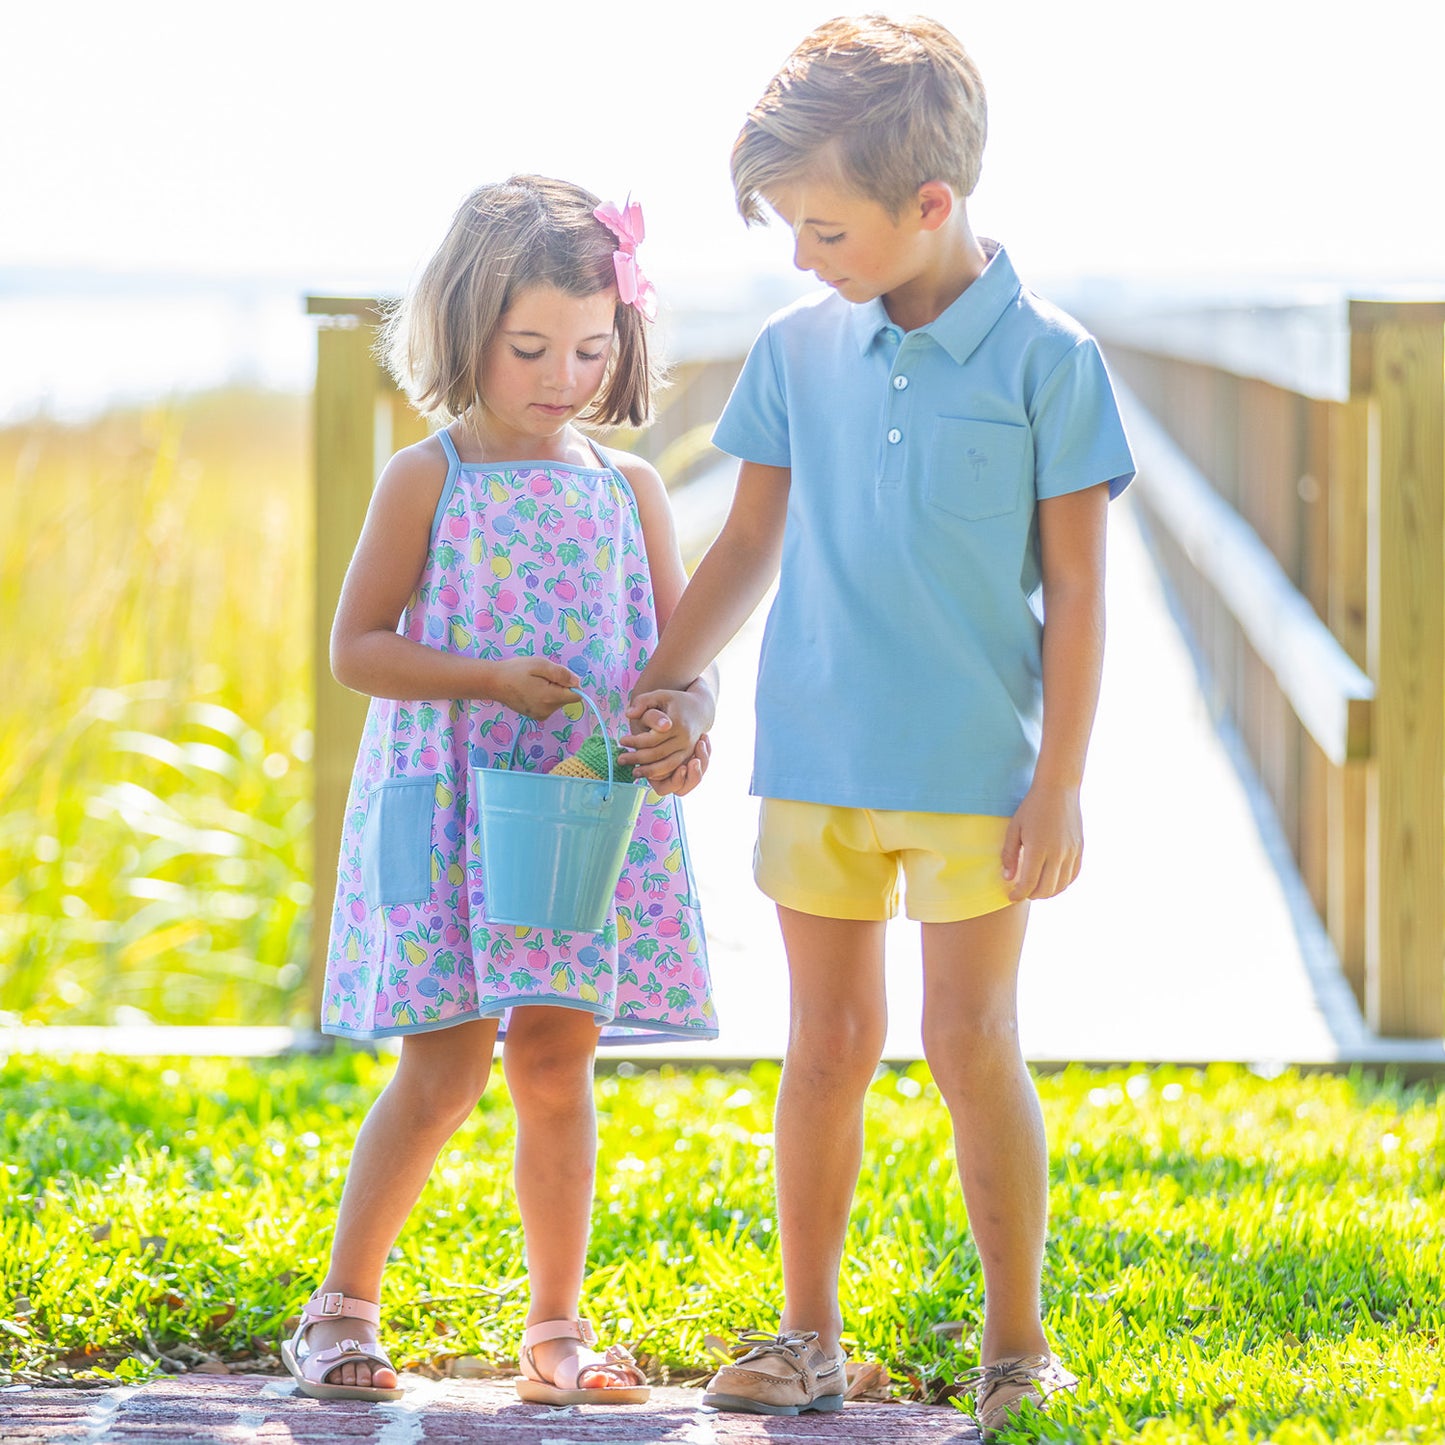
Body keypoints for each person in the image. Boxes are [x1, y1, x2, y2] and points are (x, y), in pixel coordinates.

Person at [620, 15, 1134, 1437]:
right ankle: (807, 1334)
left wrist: (1062, 782)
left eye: (824, 228)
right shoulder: (797, 350)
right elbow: (744, 547)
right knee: (825, 1045)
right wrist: (662, 678)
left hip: (977, 775)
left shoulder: (1051, 359)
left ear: (930, 205)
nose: (802, 256)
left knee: (974, 1046)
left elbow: (1081, 596)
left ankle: (1017, 1342)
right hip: (815, 762)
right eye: (789, 226)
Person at [283, 175, 717, 1405]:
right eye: (530, 346)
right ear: (467, 329)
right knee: (445, 1064)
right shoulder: (429, 474)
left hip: (575, 817)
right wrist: (481, 677)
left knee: (556, 1060)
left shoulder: (627, 490)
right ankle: (341, 1307)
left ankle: (556, 1328)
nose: (562, 374)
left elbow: (682, 662)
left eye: (591, 347)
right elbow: (357, 646)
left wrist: (682, 725)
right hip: (455, 800)